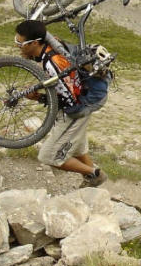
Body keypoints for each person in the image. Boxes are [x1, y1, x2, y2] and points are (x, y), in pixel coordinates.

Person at [14, 19, 108, 187]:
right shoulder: (48, 49)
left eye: (20, 43)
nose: (17, 46)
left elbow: (69, 99)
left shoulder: (53, 64)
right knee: (78, 147)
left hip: (78, 108)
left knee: (48, 156)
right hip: (81, 99)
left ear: (35, 43)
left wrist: (39, 98)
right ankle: (92, 179)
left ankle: (94, 174)